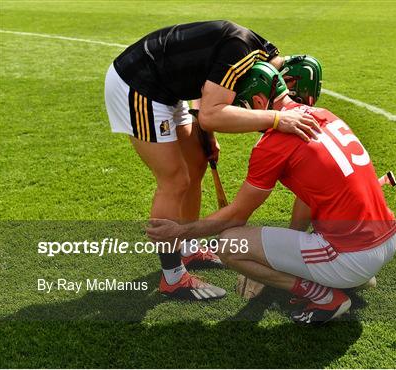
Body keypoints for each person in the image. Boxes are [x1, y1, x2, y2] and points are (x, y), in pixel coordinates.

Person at [147, 62, 396, 324]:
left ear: (257, 100)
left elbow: (235, 218)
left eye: (242, 108)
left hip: (353, 254)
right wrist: (281, 259)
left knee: (229, 244)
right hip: (387, 237)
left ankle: (325, 296)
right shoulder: (323, 113)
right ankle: (351, 274)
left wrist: (180, 232)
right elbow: (308, 195)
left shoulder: (272, 144)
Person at [104, 20, 322, 300]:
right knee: (174, 180)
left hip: (170, 90)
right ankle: (172, 277)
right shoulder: (241, 52)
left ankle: (189, 248)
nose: (285, 101)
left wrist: (206, 133)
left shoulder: (263, 52)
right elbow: (211, 112)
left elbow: (207, 83)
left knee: (196, 164)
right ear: (288, 80)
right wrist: (278, 118)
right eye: (288, 95)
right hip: (140, 85)